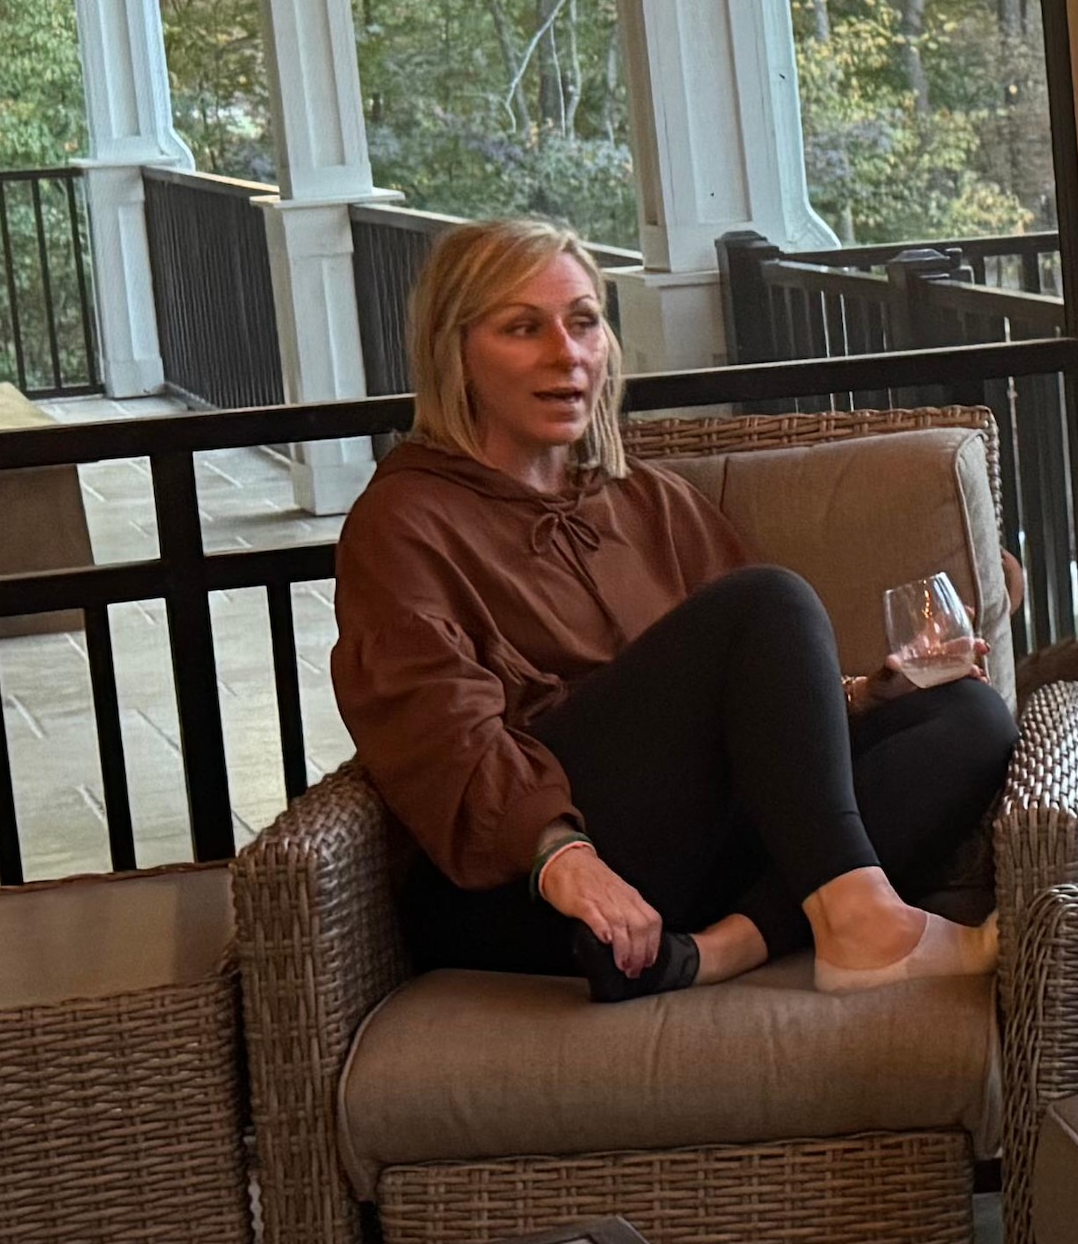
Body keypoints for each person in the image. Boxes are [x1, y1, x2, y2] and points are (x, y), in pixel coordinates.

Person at [329, 215, 1013, 1003]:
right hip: (532, 887)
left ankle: (720, 951)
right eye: (523, 328)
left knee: (967, 717)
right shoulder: (403, 521)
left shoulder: (647, 499)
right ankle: (859, 923)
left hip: (681, 870)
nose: (567, 353)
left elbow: (741, 707)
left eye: (584, 322)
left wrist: (860, 695)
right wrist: (561, 855)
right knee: (769, 599)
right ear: (455, 351)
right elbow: (439, 733)